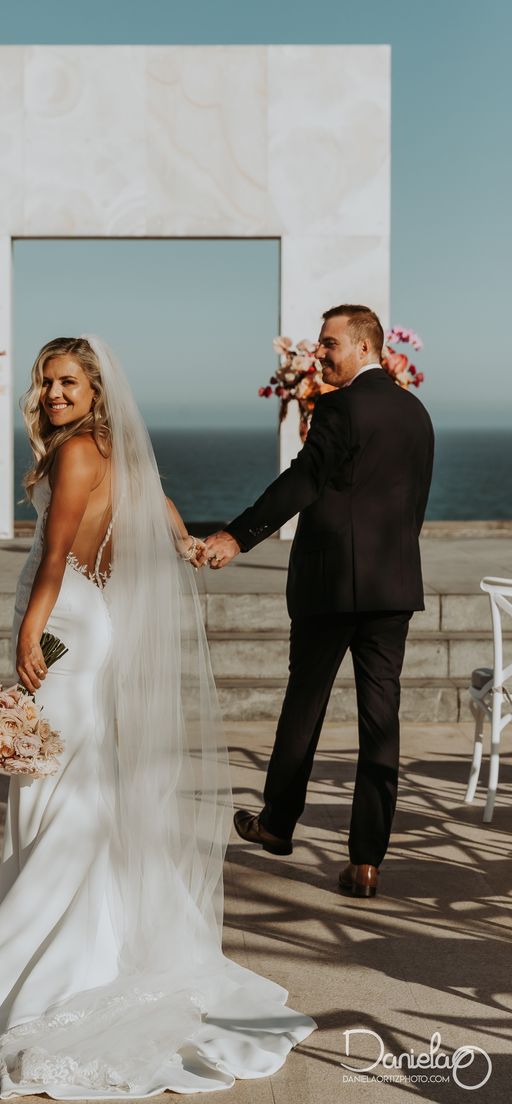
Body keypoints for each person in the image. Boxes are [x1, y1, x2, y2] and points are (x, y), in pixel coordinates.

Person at [0, 335, 315, 1098]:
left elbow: (52, 556)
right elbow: (156, 499)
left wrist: (25, 632)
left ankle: (60, 956)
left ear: (96, 390)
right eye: (47, 382)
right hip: (88, 622)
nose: (53, 393)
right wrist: (180, 537)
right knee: (77, 778)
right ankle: (96, 934)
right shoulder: (111, 451)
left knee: (58, 782)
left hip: (69, 626)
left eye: (68, 381)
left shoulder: (78, 455)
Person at [204, 305, 435, 899]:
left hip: (332, 586)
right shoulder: (417, 413)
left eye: (330, 344)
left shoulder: (340, 407)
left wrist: (238, 534)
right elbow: (413, 506)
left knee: (304, 705)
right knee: (380, 720)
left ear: (363, 345)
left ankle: (278, 824)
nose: (320, 355)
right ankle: (366, 861)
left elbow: (304, 480)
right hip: (393, 588)